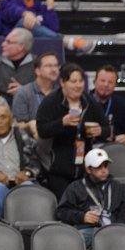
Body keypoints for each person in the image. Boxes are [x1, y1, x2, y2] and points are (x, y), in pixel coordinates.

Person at [36, 62, 110, 198]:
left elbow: (107, 129)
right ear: (62, 83)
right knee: (65, 203)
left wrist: (100, 131)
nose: (78, 85)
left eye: (81, 81)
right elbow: (42, 130)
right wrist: (62, 123)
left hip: (84, 167)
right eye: (73, 81)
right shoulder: (50, 102)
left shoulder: (89, 102)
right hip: (57, 168)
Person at [56, 148, 125, 250]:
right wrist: (82, 217)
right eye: (98, 167)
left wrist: (118, 227)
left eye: (105, 166)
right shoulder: (75, 187)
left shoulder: (116, 187)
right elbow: (61, 212)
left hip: (114, 228)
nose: (104, 170)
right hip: (89, 229)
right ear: (88, 169)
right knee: (80, 237)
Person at [0, 105, 41, 218]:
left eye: (3, 117)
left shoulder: (22, 135)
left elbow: (36, 161)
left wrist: (27, 172)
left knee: (28, 186)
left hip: (21, 182)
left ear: (11, 120)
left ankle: (26, 223)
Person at [0, 28, 37, 102]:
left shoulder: (38, 64)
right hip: (0, 104)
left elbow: (44, 92)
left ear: (21, 46)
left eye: (8, 42)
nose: (3, 44)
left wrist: (23, 92)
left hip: (29, 104)